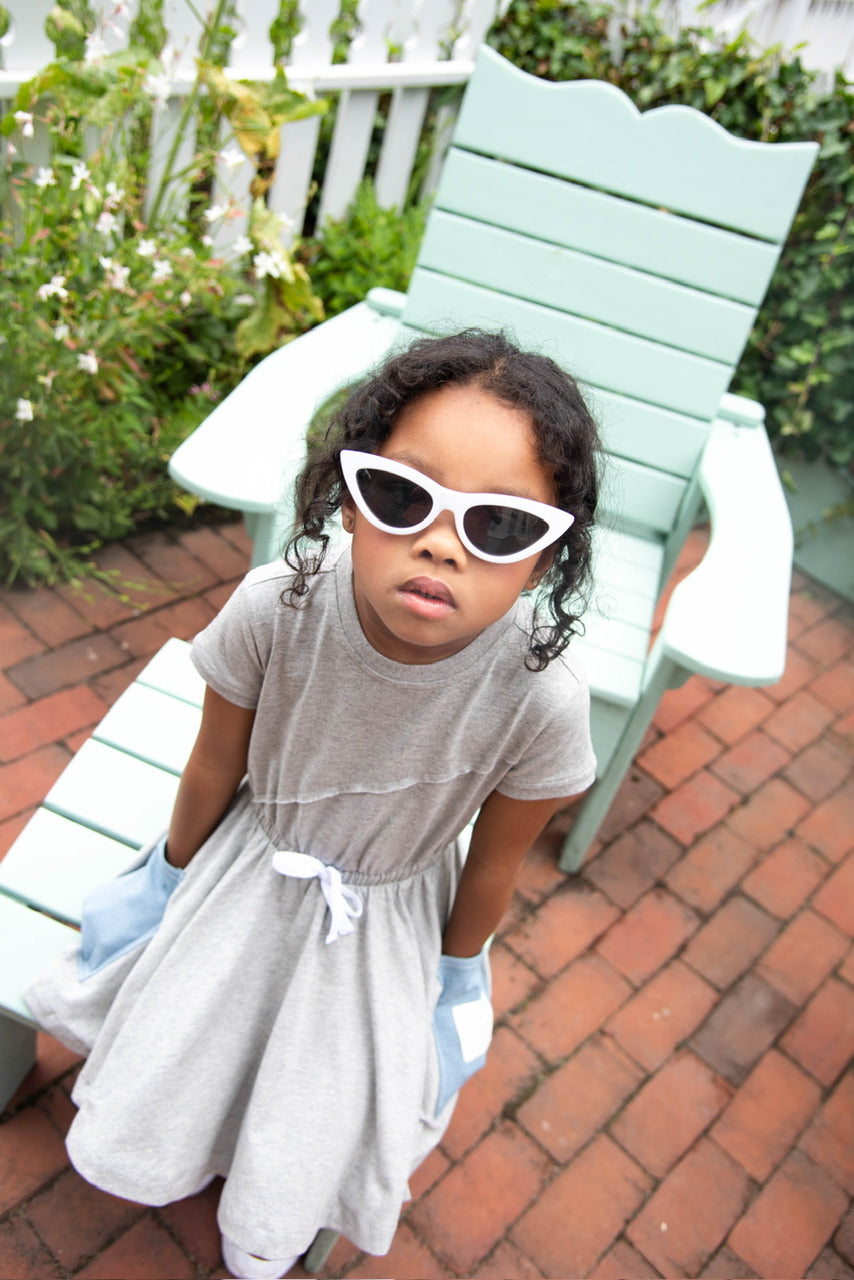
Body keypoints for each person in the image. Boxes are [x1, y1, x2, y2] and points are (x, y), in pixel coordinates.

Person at [26, 329, 600, 1279]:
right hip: (254, 861)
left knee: (326, 1080)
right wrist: (168, 877)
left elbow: (495, 865)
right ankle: (180, 1146)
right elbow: (215, 763)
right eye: (404, 496)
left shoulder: (540, 700)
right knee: (199, 1029)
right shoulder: (275, 608)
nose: (439, 543)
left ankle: (268, 1212)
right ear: (349, 497)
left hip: (388, 910)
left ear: (542, 559)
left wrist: (458, 982)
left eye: (498, 524)